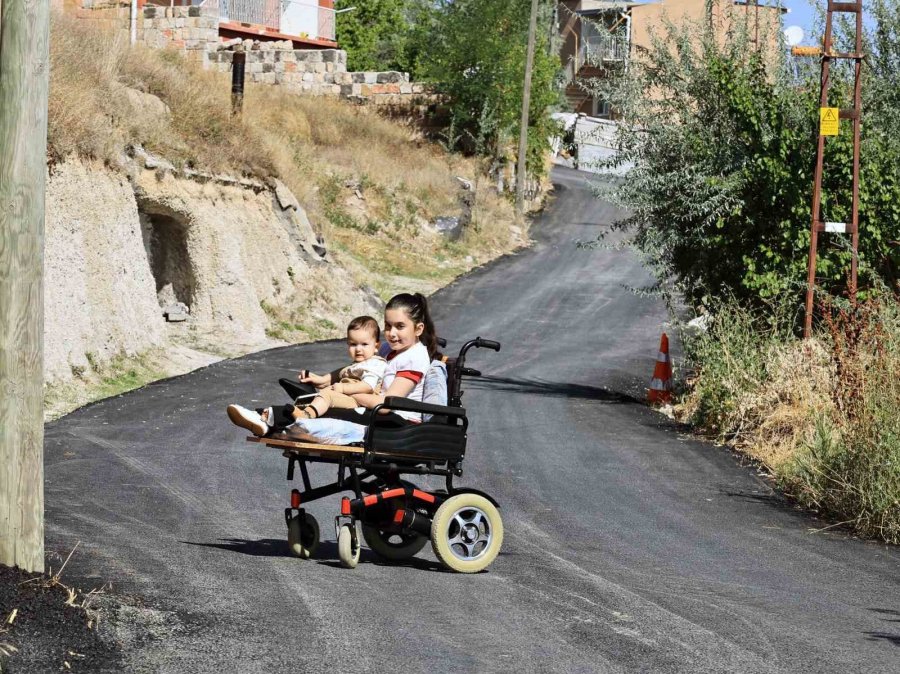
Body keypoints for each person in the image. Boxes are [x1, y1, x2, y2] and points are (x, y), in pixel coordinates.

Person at [228, 293, 438, 440]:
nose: (392, 333)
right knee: (326, 401)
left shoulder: (414, 357)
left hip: (397, 422)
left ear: (418, 328)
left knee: (329, 408)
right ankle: (267, 418)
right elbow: (359, 369)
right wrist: (326, 380)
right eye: (388, 326)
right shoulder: (388, 350)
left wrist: (351, 395)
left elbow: (388, 403)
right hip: (375, 409)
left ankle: (268, 417)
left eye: (400, 327)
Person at [226, 315, 386, 435]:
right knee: (310, 399)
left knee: (326, 396)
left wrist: (341, 388)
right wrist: (318, 379)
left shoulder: (374, 364)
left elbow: (368, 386)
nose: (358, 349)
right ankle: (263, 420)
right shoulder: (356, 366)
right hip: (347, 397)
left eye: (364, 344)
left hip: (357, 403)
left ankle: (303, 417)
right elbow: (336, 374)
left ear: (376, 346)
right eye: (353, 344)